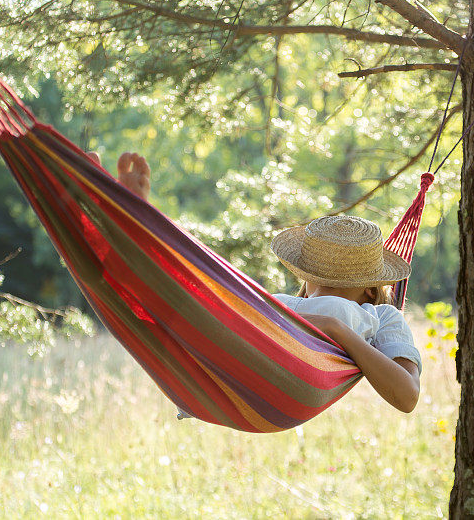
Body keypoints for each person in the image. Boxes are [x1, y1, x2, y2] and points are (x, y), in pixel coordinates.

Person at [88, 151, 421, 418]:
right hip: (230, 351)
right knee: (182, 299)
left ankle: (125, 223)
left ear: (370, 291)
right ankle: (121, 225)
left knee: (178, 302)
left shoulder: (381, 316)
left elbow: (407, 396)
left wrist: (338, 330)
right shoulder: (282, 305)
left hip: (270, 369)